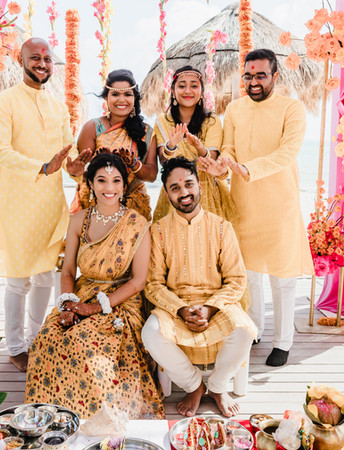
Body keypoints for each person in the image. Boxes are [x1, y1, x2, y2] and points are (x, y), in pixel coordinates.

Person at [25, 153, 165, 420]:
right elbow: (67, 270)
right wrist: (67, 305)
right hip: (80, 293)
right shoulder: (79, 220)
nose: (109, 188)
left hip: (120, 301)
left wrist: (95, 307)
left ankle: (96, 418)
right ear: (90, 183)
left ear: (124, 185)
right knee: (47, 338)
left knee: (84, 344)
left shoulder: (137, 224)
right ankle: (54, 418)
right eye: (101, 180)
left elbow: (138, 281)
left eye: (116, 181)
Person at [198, 49, 312, 367]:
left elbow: (287, 153)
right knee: (248, 274)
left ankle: (283, 342)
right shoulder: (234, 109)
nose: (253, 81)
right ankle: (254, 330)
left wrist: (247, 169)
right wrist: (220, 168)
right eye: (248, 75)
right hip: (243, 205)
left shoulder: (293, 109)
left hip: (280, 205)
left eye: (261, 75)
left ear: (275, 76)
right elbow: (230, 150)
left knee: (282, 276)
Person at [0, 37, 90, 372]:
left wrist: (75, 167)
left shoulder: (58, 106)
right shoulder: (4, 102)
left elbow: (67, 153)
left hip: (50, 203)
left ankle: (36, 340)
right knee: (18, 279)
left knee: (45, 276)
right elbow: (0, 151)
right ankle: (16, 347)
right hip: (16, 204)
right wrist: (42, 167)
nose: (42, 63)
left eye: (47, 58)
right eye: (35, 58)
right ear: (21, 60)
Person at [142, 157, 256, 418]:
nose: (184, 193)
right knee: (150, 333)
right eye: (175, 188)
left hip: (216, 304)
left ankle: (216, 387)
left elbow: (237, 279)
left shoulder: (221, 228)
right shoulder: (158, 231)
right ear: (167, 194)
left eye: (189, 184)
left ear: (200, 186)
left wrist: (210, 307)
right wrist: (181, 309)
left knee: (245, 330)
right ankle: (193, 385)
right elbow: (153, 283)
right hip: (176, 307)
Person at [71, 69, 158, 220]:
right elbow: (81, 173)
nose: (121, 100)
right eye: (115, 94)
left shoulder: (147, 132)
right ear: (106, 97)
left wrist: (134, 164)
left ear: (135, 98)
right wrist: (97, 162)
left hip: (134, 208)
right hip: (95, 206)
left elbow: (152, 175)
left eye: (127, 94)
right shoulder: (92, 128)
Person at [152, 65, 234, 223]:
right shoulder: (163, 121)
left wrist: (199, 148)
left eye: (194, 85)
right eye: (181, 86)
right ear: (173, 92)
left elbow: (212, 160)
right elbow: (163, 160)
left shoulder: (212, 121)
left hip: (208, 191)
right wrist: (171, 145)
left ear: (202, 92)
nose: (187, 91)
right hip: (175, 190)